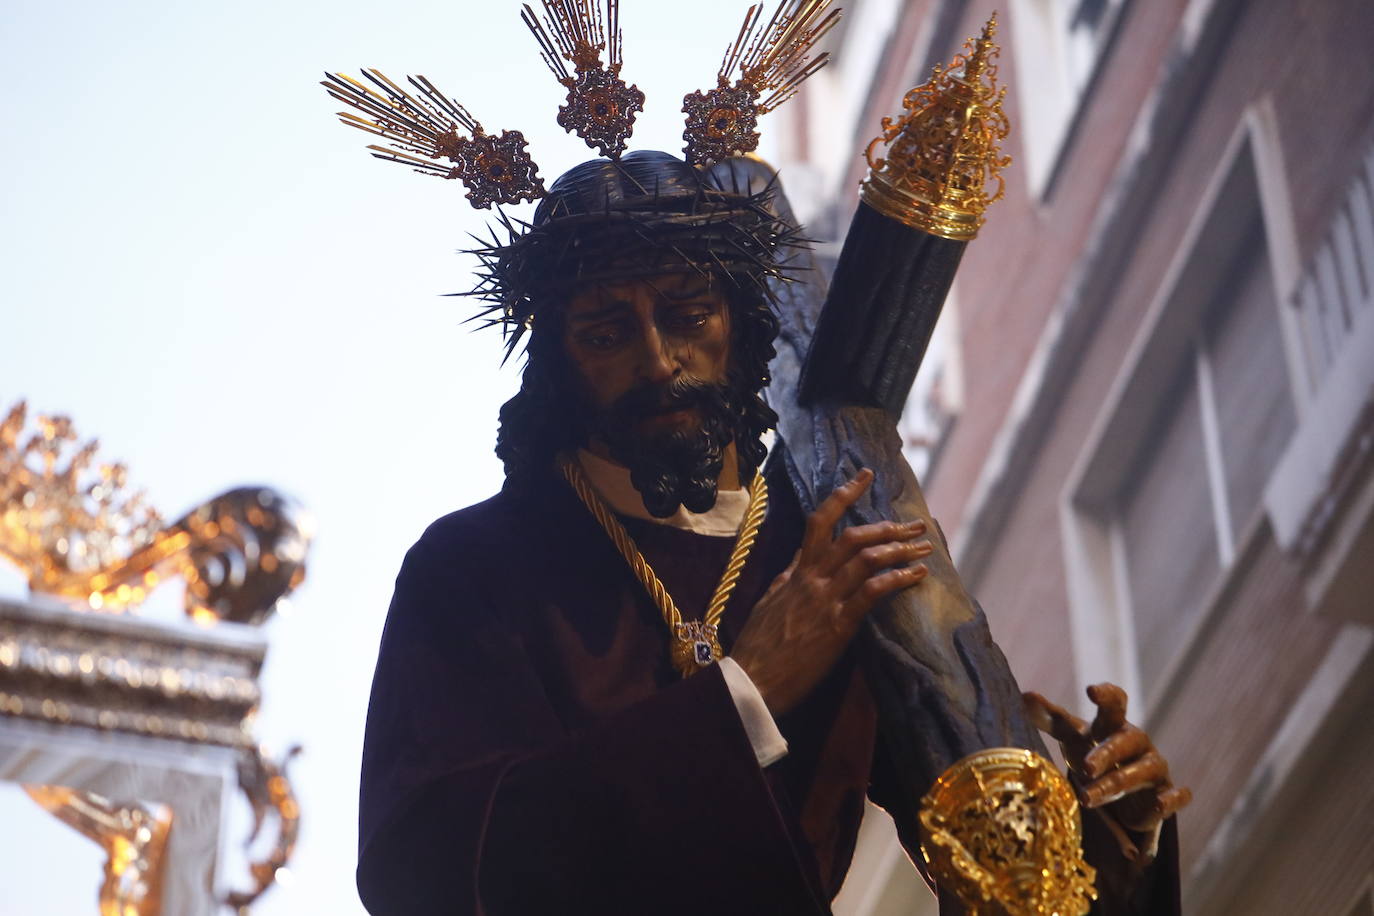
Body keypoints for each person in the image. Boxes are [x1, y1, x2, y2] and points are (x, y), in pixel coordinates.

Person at [356, 151, 1189, 915]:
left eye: (688, 314)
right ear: (560, 361)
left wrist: (1115, 844)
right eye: (607, 334)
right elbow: (420, 868)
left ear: (741, 325)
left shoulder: (828, 549)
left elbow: (985, 855)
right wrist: (741, 695)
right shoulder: (477, 568)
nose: (658, 361)